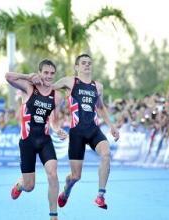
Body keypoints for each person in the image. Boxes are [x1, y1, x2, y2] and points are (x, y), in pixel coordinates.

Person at [52, 54, 120, 209]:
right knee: (75, 176)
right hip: (77, 133)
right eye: (83, 63)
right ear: (77, 67)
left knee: (106, 154)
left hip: (94, 130)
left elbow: (101, 107)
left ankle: (100, 196)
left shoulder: (98, 86)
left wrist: (112, 126)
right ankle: (66, 191)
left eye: (89, 63)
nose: (87, 65)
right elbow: (48, 89)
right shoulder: (69, 81)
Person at [5, 59, 67, 220]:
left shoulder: (57, 96)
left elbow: (53, 120)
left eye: (52, 73)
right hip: (27, 141)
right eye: (45, 72)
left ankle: (53, 216)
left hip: (45, 140)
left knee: (53, 174)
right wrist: (27, 76)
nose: (49, 76)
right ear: (40, 73)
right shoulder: (29, 88)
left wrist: (57, 129)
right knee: (29, 186)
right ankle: (20, 185)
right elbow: (8, 76)